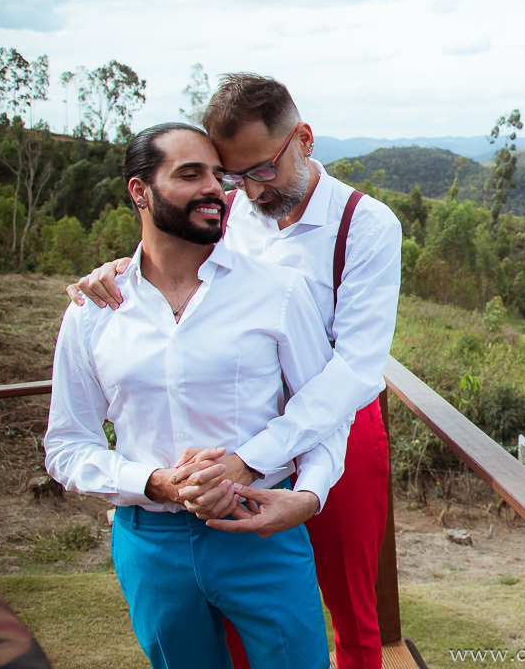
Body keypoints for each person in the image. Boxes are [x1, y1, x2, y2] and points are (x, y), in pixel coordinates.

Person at [70, 75, 403, 669]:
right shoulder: (234, 209)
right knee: (239, 612)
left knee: (352, 600)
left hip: (338, 419)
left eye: (262, 171)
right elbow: (178, 265)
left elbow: (354, 367)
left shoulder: (367, 225)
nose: (248, 191)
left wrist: (254, 460)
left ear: (302, 138)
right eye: (233, 175)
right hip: (243, 423)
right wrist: (118, 272)